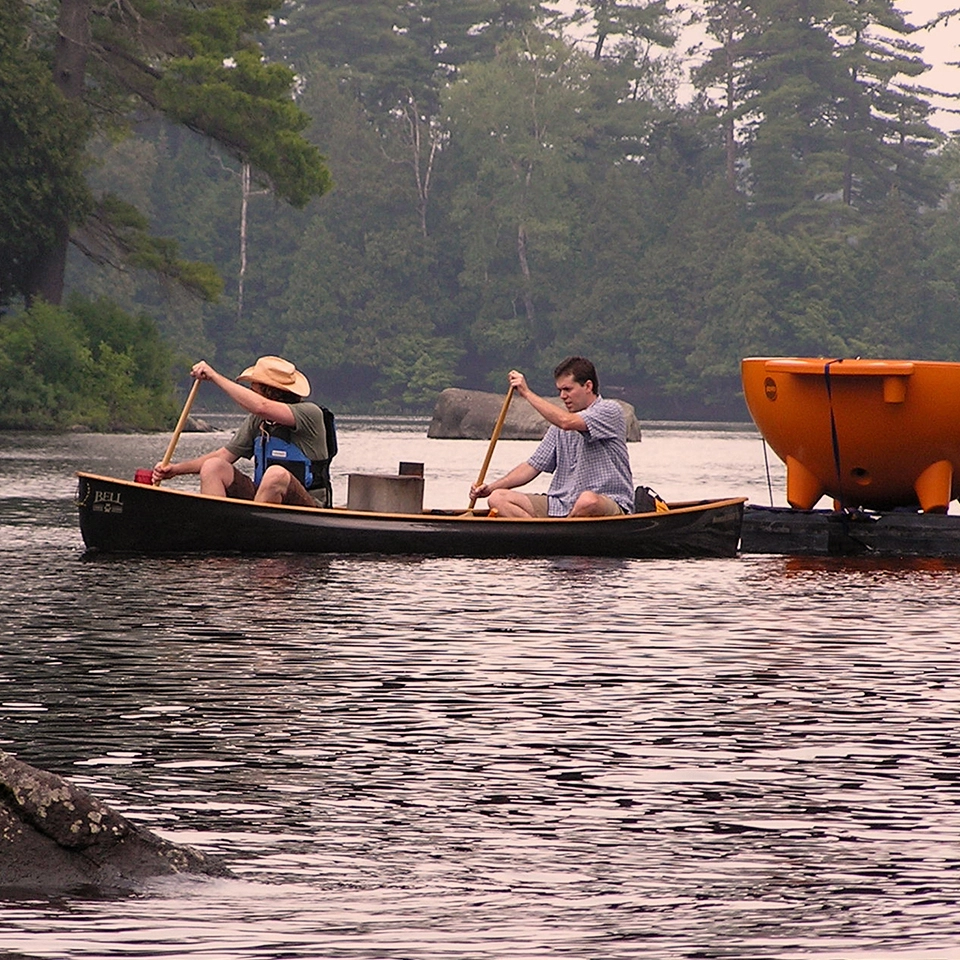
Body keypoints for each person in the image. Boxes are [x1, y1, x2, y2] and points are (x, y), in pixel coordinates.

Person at [152, 356, 332, 507]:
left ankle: (255, 532)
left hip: (309, 504)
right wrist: (175, 470)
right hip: (264, 500)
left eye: (254, 387)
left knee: (275, 474)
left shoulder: (310, 413)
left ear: (270, 391)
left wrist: (214, 376)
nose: (250, 391)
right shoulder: (259, 421)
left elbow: (261, 406)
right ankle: (219, 529)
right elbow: (224, 455)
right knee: (213, 466)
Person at [470, 356, 634, 518]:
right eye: (560, 390)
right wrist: (489, 488)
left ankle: (557, 536)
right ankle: (542, 537)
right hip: (561, 503)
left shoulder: (610, 410)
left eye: (567, 389)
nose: (562, 396)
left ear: (588, 386)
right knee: (498, 498)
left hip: (607, 502)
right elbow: (532, 466)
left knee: (587, 501)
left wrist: (526, 393)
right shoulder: (559, 425)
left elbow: (566, 422)